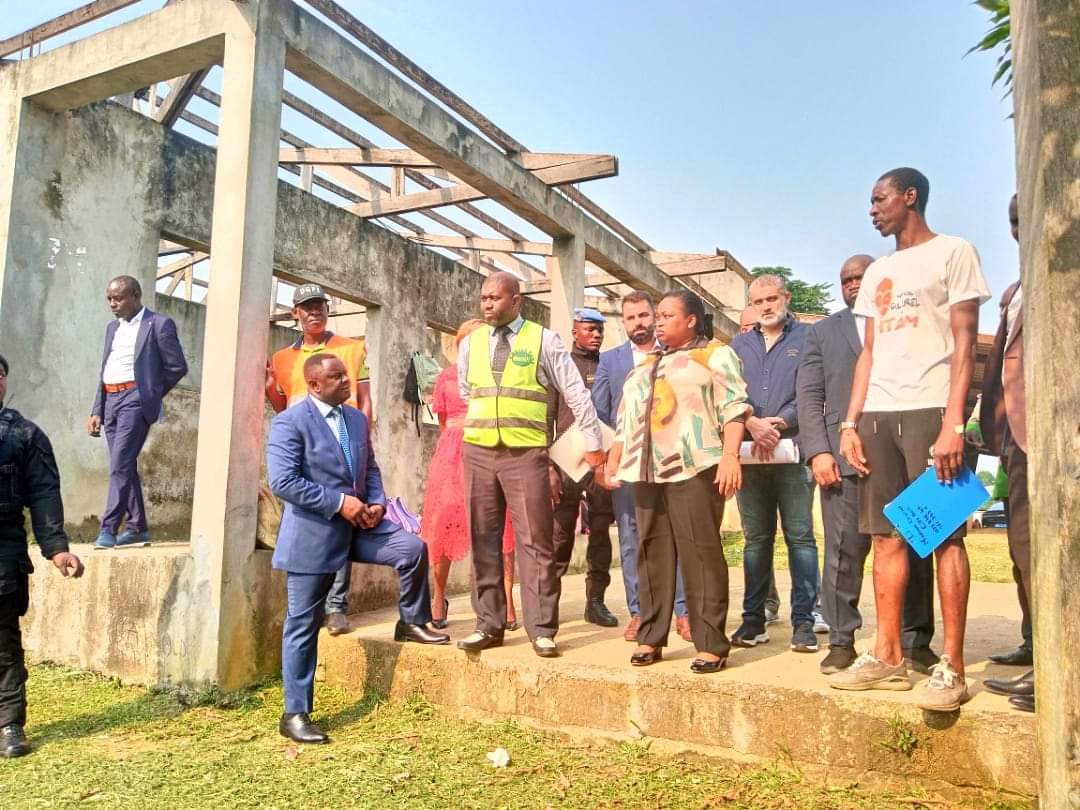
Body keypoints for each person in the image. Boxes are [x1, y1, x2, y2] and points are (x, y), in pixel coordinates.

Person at [832, 167, 990, 712]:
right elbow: (869, 353)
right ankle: (887, 656)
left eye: (880, 199)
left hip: (932, 410)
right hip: (878, 415)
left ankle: (952, 666)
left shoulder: (953, 252)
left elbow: (965, 343)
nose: (872, 209)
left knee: (945, 537)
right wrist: (850, 424)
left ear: (910, 196)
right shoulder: (879, 270)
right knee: (886, 538)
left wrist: (954, 422)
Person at [268, 354, 448, 744]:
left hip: (362, 525)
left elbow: (370, 468)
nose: (347, 381)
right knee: (303, 623)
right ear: (314, 385)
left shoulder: (354, 418)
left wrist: (377, 502)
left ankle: (411, 621)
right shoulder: (290, 423)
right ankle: (295, 713)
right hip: (314, 534)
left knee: (412, 549)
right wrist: (338, 503)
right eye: (336, 377)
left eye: (346, 375)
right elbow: (283, 482)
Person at [456, 272, 604, 659]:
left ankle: (541, 629)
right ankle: (488, 624)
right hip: (479, 452)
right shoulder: (471, 343)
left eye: (495, 298)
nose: (487, 304)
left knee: (536, 541)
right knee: (483, 538)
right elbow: (466, 391)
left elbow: (575, 391)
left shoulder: (543, 340)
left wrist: (593, 442)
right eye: (484, 298)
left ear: (516, 300)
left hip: (526, 455)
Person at [798, 254, 935, 674]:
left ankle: (915, 641)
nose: (854, 284)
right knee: (843, 554)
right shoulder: (822, 332)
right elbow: (810, 395)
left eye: (861, 276)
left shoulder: (907, 323)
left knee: (914, 547)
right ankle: (841, 641)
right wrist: (819, 451)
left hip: (903, 453)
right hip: (843, 460)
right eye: (846, 279)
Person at [605, 290, 749, 673]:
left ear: (691, 320)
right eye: (658, 316)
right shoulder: (647, 363)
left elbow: (734, 407)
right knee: (650, 552)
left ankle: (711, 643)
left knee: (700, 553)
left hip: (694, 466)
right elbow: (626, 417)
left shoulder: (714, 354)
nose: (659, 322)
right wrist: (615, 456)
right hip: (645, 470)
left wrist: (731, 456)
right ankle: (651, 635)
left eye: (668, 315)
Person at [266, 283, 372, 637]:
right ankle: (308, 603)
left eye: (320, 306)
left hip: (342, 446)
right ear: (295, 312)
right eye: (307, 307)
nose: (315, 312)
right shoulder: (282, 359)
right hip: (303, 451)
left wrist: (364, 443)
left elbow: (365, 399)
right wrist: (269, 388)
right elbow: (284, 408)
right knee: (307, 523)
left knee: (343, 519)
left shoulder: (352, 348)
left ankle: (337, 606)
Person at [593, 292, 692, 643]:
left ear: (655, 316)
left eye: (644, 315)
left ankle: (683, 611)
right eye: (631, 317)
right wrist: (606, 462)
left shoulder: (677, 354)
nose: (638, 323)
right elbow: (600, 413)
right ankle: (639, 611)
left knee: (677, 534)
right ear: (623, 322)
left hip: (672, 462)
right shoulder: (610, 361)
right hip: (628, 466)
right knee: (632, 539)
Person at [729, 275, 820, 654]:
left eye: (771, 298)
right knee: (756, 540)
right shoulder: (738, 345)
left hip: (793, 455)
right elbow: (729, 393)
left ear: (786, 297)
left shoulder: (808, 339)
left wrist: (781, 421)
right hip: (751, 457)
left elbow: (813, 390)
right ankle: (753, 620)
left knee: (800, 537)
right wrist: (751, 422)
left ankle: (804, 622)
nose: (766, 306)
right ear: (751, 305)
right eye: (758, 301)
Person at [0, 354, 85, 758]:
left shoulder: (24, 435)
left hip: (4, 546)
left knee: (2, 642)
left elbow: (44, 493)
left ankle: (9, 724)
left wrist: (57, 549)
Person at [420, 319, 519, 631]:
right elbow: (445, 423)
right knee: (445, 522)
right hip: (452, 458)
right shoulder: (446, 377)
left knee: (502, 525)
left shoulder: (501, 374)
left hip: (492, 448)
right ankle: (438, 595)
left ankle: (506, 598)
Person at [979, 194, 1035, 713]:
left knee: (1045, 547)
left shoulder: (1060, 278)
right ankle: (1036, 642)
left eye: (1025, 218)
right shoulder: (1015, 291)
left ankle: (1058, 662)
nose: (1019, 229)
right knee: (1022, 546)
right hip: (1016, 436)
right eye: (1013, 221)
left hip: (1053, 432)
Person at [88, 275, 188, 550]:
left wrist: (149, 392)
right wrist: (97, 409)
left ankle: (108, 528)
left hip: (134, 400)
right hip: (110, 399)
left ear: (135, 296)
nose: (112, 304)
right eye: (109, 299)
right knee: (123, 463)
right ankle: (137, 528)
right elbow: (106, 369)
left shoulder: (158, 324)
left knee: (120, 463)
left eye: (118, 298)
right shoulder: (112, 328)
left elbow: (177, 366)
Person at [550, 307, 618, 628]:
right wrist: (547, 464)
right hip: (566, 460)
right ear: (574, 331)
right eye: (589, 329)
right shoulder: (560, 366)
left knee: (601, 532)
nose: (596, 335)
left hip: (601, 460)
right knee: (560, 535)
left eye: (600, 330)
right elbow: (547, 417)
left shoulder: (609, 366)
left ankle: (596, 602)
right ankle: (548, 604)